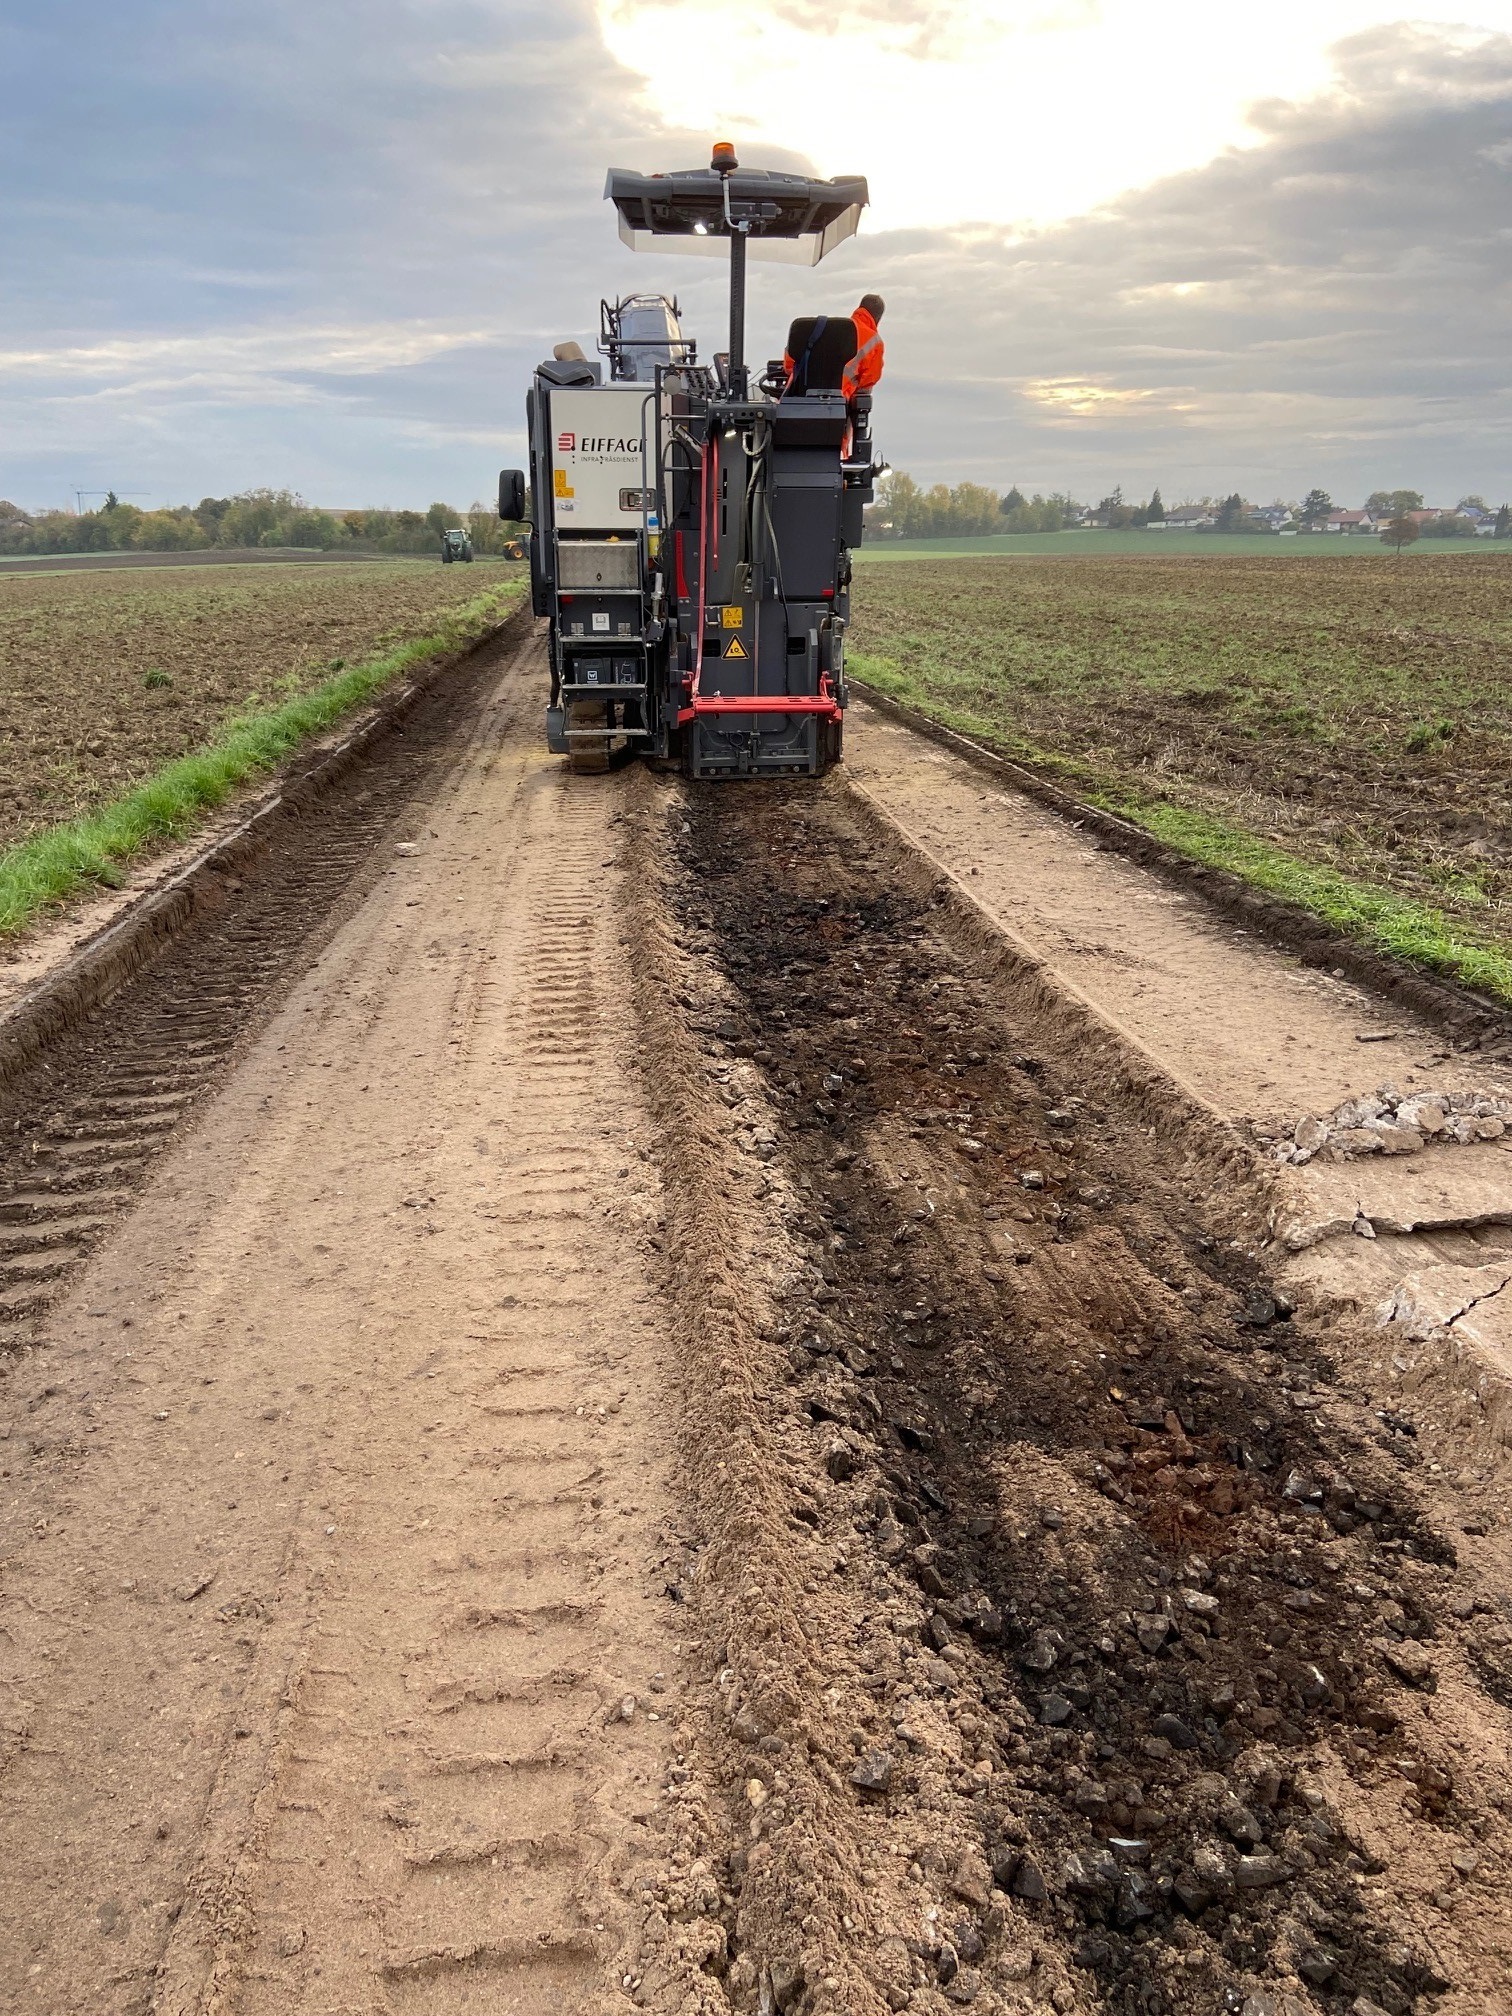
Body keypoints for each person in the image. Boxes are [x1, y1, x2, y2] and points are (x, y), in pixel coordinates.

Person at [842, 294, 885, 398]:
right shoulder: (875, 341)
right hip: (841, 398)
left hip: (807, 393)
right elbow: (869, 380)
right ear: (877, 319)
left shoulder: (839, 327)